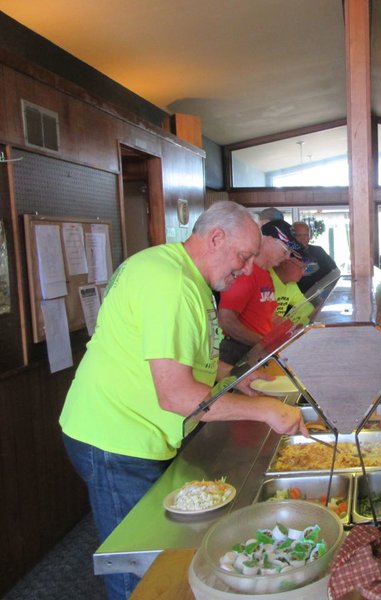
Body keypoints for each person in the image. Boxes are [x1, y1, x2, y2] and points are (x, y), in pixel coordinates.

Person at [59, 201, 308, 600]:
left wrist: (232, 377)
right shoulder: (172, 284)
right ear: (215, 238)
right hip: (116, 437)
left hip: (128, 428)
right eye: (243, 258)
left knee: (160, 555)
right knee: (143, 569)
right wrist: (265, 410)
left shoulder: (176, 270)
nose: (246, 270)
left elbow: (180, 355)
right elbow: (177, 395)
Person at [217, 224, 296, 364]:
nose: (287, 257)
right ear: (270, 240)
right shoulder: (245, 273)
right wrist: (261, 342)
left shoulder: (266, 274)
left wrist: (294, 330)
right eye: (285, 250)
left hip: (258, 350)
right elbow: (226, 320)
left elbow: (269, 316)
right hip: (239, 351)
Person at [292, 220, 338, 294]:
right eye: (299, 235)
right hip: (298, 298)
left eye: (306, 235)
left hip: (321, 295)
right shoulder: (288, 254)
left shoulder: (318, 251)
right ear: (293, 237)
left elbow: (334, 271)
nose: (303, 239)